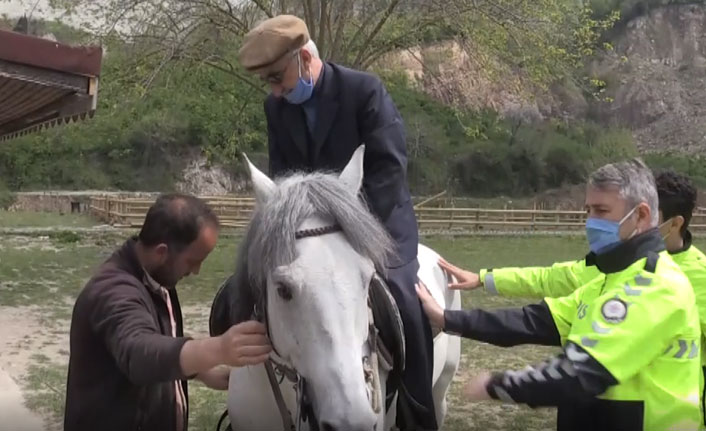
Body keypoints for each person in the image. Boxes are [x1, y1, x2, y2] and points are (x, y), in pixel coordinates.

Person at [237, 14, 436, 430]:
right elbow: (284, 177)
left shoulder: (365, 90)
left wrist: (347, 227)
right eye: (268, 83)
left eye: (278, 77)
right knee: (243, 288)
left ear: (305, 57)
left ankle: (417, 415)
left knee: (405, 303)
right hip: (309, 228)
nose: (275, 90)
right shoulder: (276, 108)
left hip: (374, 219)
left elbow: (388, 169)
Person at [417, 159, 703, 431]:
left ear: (640, 215)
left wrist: (499, 385)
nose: (590, 222)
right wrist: (447, 318)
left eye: (601, 211)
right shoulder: (608, 280)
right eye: (588, 210)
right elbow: (534, 320)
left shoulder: (656, 285)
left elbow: (583, 371)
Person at [64, 193, 272, 431]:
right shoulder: (112, 291)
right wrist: (219, 349)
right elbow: (140, 354)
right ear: (162, 252)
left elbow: (160, 345)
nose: (196, 271)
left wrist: (200, 372)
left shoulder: (157, 279)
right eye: (193, 260)